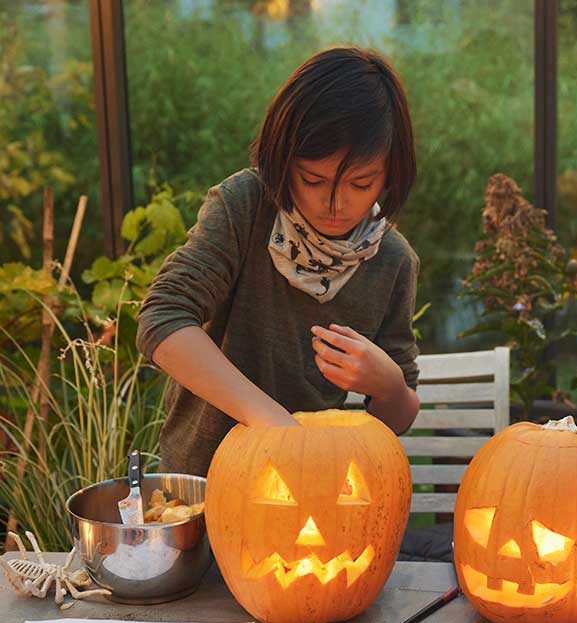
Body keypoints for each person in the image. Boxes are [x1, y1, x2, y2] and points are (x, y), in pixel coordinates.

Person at [136, 46, 421, 478]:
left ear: (390, 174)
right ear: (283, 161)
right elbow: (162, 318)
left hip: (313, 489)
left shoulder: (393, 260)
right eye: (313, 179)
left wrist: (389, 385)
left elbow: (395, 420)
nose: (335, 203)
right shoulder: (244, 209)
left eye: (362, 183)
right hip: (204, 486)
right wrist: (276, 427)